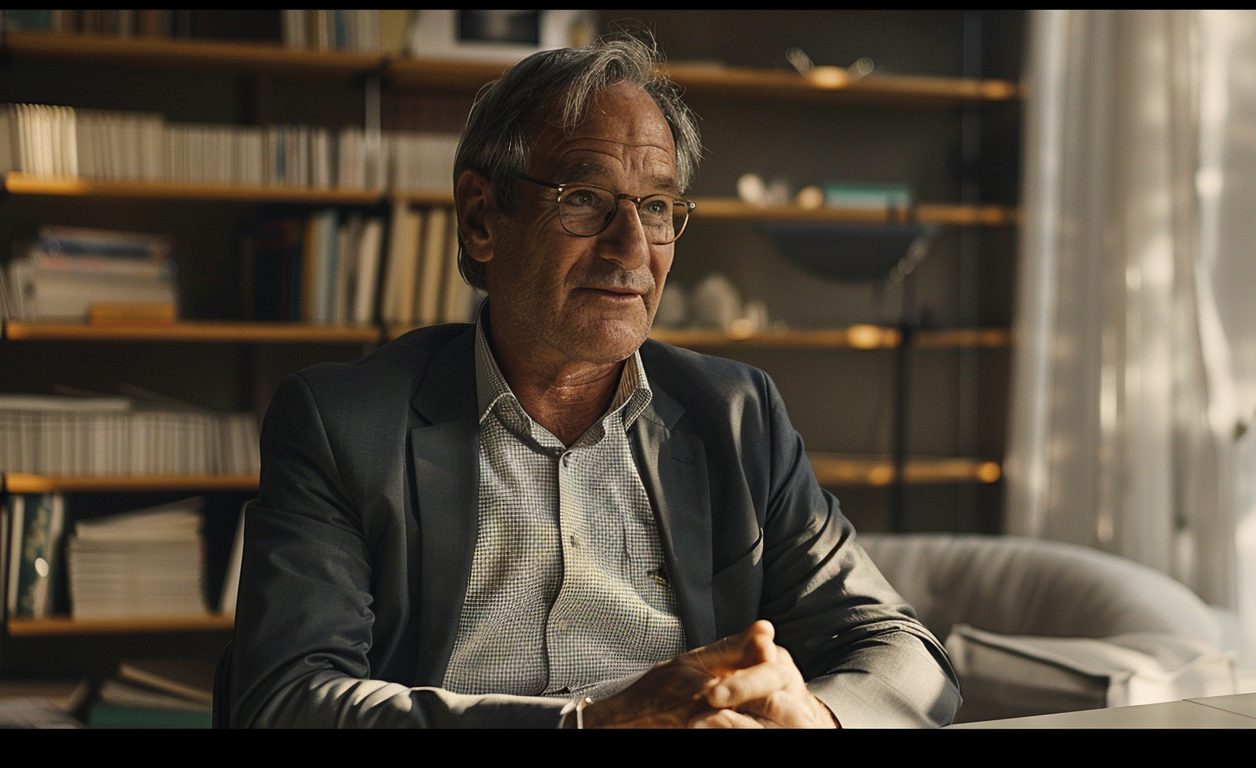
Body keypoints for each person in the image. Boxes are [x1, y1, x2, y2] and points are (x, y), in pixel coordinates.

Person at [227, 35, 960, 729]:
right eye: (584, 199)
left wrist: (818, 717)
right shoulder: (342, 422)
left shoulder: (738, 417)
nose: (632, 248)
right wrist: (591, 724)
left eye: (658, 207)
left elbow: (904, 654)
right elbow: (289, 701)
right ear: (482, 218)